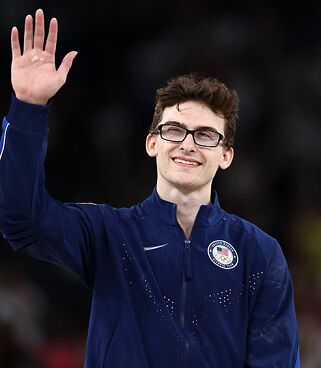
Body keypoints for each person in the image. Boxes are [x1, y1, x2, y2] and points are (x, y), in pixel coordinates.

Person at [0, 9, 300, 367]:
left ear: (226, 155)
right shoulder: (108, 234)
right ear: (152, 143)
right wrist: (28, 107)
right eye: (174, 130)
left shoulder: (259, 252)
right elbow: (19, 219)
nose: (187, 144)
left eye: (205, 135)